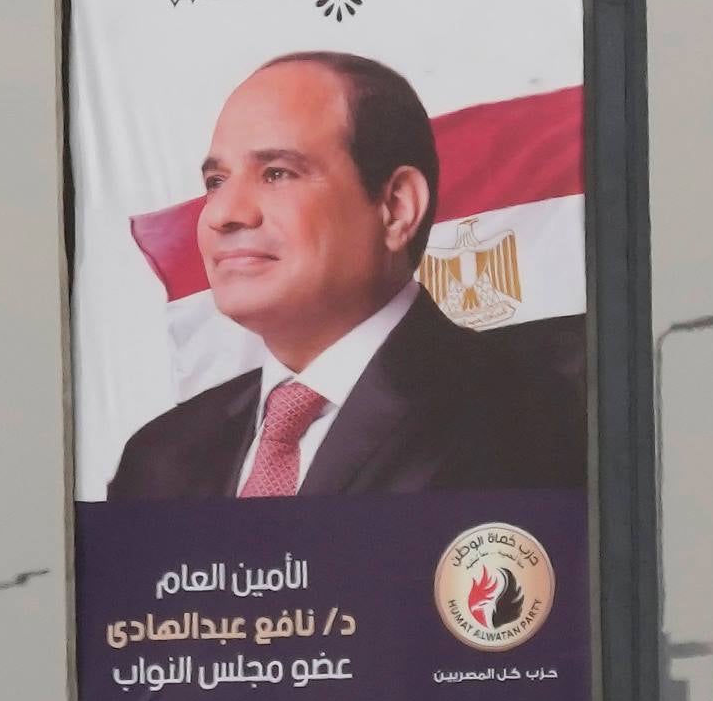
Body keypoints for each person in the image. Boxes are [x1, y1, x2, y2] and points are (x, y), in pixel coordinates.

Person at [106, 51, 588, 500]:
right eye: (216, 182)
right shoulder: (157, 460)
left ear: (396, 207)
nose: (221, 215)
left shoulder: (529, 418)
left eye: (277, 173)